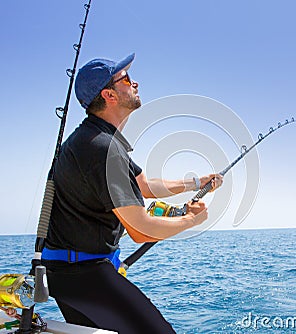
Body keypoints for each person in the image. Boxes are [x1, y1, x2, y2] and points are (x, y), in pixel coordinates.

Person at [41, 53, 223, 333]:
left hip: (64, 273)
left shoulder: (95, 140)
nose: (134, 82)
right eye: (124, 78)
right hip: (85, 275)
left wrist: (196, 182)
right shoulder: (103, 150)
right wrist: (192, 221)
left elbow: (144, 186)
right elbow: (140, 229)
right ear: (108, 95)